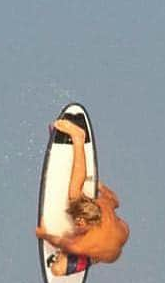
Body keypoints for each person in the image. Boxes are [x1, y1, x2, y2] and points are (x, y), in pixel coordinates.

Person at [36, 117, 129, 273]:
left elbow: (59, 241)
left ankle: (78, 138)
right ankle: (78, 139)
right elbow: (115, 200)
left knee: (56, 270)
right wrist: (99, 185)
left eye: (78, 222)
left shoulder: (82, 244)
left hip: (107, 251)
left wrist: (44, 234)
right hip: (119, 236)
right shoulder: (104, 206)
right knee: (74, 196)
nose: (77, 224)